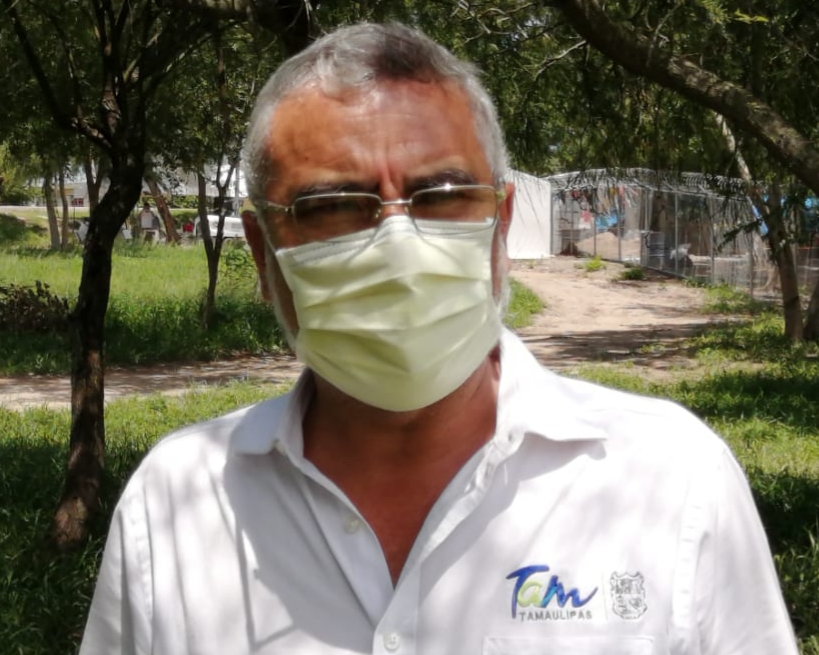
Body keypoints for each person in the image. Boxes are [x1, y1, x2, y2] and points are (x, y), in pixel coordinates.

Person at [79, 23, 799, 655]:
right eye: (335, 206)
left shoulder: (672, 481)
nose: (399, 245)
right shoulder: (176, 505)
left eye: (442, 195)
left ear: (500, 227)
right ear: (264, 253)